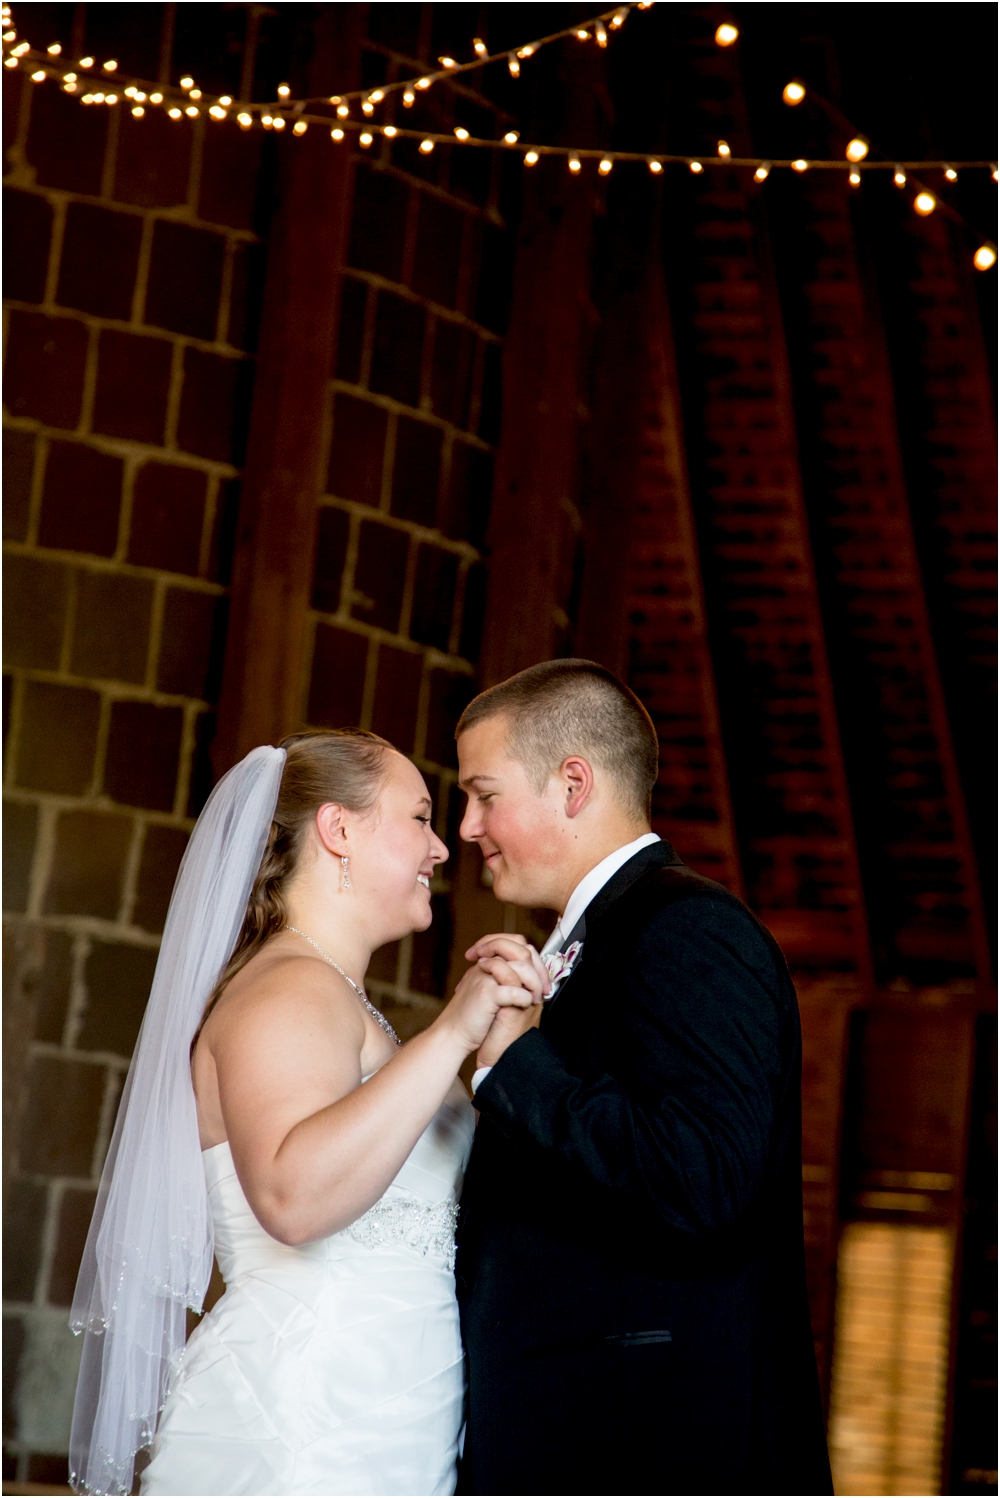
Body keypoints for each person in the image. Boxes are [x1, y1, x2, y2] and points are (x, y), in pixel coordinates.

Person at [70, 730, 544, 1497]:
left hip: (384, 1421)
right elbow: (293, 1198)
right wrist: (453, 1029)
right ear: (339, 829)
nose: (441, 849)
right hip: (307, 1428)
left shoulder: (340, 1001)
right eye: (421, 818)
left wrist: (504, 1048)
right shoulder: (287, 990)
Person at [453, 660, 833, 1497]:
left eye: (485, 794)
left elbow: (704, 1177)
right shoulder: (606, 934)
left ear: (574, 784)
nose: (469, 826)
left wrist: (516, 1064)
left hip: (647, 1442)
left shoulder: (686, 929)